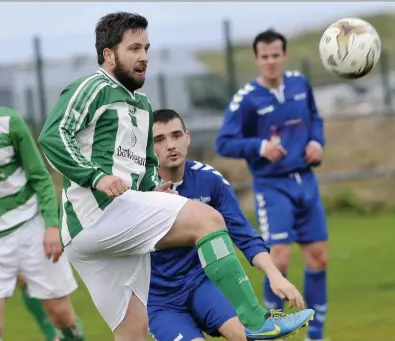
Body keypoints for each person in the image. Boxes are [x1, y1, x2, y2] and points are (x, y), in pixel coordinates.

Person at [37, 12, 315, 341]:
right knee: (206, 219)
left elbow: (142, 164)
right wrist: (95, 177)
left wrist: (155, 187)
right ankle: (255, 320)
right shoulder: (94, 87)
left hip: (99, 235)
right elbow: (53, 136)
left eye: (147, 48)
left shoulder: (141, 104)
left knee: (134, 334)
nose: (143, 57)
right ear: (108, 54)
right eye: (134, 48)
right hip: (96, 215)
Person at [148, 109, 314, 341]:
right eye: (159, 139)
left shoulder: (209, 180)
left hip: (202, 285)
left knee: (247, 335)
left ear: (187, 137)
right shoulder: (140, 189)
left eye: (176, 136)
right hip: (158, 299)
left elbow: (244, 234)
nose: (170, 145)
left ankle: (258, 321)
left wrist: (275, 276)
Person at [215, 29, 328, 341]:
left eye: (275, 55)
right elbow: (224, 142)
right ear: (256, 59)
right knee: (278, 258)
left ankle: (315, 335)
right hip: (272, 185)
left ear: (284, 55)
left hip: (306, 180)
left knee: (319, 257)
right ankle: (271, 331)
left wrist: (317, 142)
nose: (270, 61)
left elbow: (316, 119)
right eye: (264, 57)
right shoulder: (247, 99)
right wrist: (260, 146)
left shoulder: (300, 85)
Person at [0, 106, 85, 341]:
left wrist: (51, 226)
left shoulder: (9, 122)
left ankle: (66, 335)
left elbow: (40, 177)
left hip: (29, 224)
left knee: (60, 314)